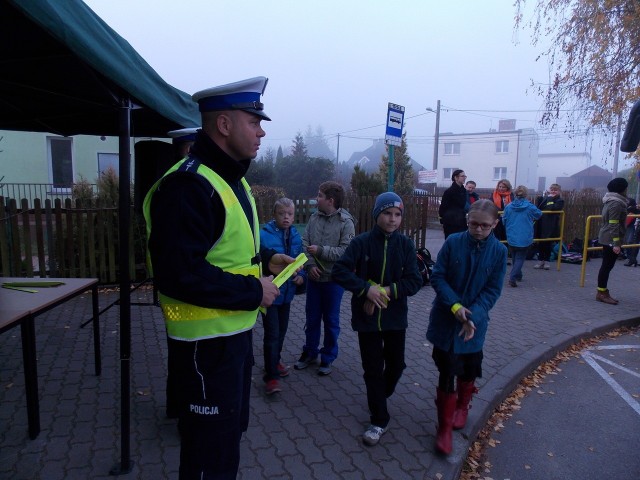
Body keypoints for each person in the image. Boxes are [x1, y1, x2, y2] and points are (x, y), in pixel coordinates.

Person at [143, 76, 296, 480]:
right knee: (208, 457)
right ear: (224, 125)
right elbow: (177, 274)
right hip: (203, 349)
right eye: (254, 121)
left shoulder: (231, 178)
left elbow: (226, 249)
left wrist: (267, 260)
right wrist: (253, 290)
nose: (262, 131)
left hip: (232, 339)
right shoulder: (187, 185)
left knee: (226, 440)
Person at [332, 192, 423, 447]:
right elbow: (339, 270)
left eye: (397, 215)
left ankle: (380, 396)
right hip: (367, 319)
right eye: (386, 213)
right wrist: (366, 289)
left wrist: (387, 291)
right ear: (376, 215)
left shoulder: (406, 245)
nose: (392, 219)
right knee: (372, 369)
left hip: (395, 318)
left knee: (396, 365)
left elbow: (414, 281)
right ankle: (379, 419)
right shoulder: (361, 243)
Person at [426, 199, 507, 455]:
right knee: (446, 369)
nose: (479, 230)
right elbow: (437, 276)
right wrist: (455, 307)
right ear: (467, 221)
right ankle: (444, 428)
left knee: (469, 367)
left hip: (474, 324)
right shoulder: (453, 242)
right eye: (474, 224)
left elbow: (493, 289)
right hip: (447, 320)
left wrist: (474, 315)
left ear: (494, 224)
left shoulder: (499, 252)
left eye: (485, 225)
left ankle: (464, 404)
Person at [294, 181, 355, 376]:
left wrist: (321, 251)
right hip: (314, 280)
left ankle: (327, 357)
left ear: (330, 200)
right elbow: (305, 243)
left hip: (333, 281)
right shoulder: (314, 218)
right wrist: (310, 265)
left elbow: (346, 251)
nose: (316, 198)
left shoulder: (346, 222)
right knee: (312, 319)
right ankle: (310, 352)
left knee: (331, 320)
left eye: (319, 195)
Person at [163, 127, 199, 419]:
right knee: (185, 355)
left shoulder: (173, 175)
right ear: (188, 149)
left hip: (172, 295)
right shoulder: (185, 181)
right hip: (184, 298)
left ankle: (175, 407)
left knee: (178, 352)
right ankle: (181, 409)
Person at [259, 198, 306, 395]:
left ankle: (275, 361)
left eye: (290, 214)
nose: (286, 217)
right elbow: (258, 261)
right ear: (274, 214)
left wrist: (301, 277)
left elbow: (300, 260)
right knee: (272, 334)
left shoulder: (295, 235)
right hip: (270, 295)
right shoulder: (263, 235)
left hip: (287, 295)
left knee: (283, 331)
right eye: (281, 213)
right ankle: (271, 378)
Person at [596, 178, 629, 304]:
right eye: (626, 187)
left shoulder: (611, 200)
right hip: (611, 238)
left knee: (607, 265)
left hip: (608, 237)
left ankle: (602, 291)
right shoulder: (616, 203)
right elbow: (613, 224)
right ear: (622, 189)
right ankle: (601, 293)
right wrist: (616, 243)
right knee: (607, 266)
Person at [502, 186, 542, 287]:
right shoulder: (529, 206)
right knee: (520, 258)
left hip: (511, 235)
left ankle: (518, 275)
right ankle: (513, 277)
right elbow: (539, 214)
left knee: (515, 256)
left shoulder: (509, 206)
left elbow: (504, 220)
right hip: (525, 236)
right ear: (526, 194)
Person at [534, 184, 565, 270]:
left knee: (548, 243)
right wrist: (540, 199)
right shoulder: (545, 198)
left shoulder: (560, 200)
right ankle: (540, 261)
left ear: (559, 191)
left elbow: (551, 208)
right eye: (552, 189)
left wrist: (550, 199)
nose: (553, 191)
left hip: (551, 225)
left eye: (555, 190)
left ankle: (547, 261)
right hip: (541, 223)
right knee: (540, 243)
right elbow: (540, 208)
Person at [439, 169, 469, 239]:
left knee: (461, 241)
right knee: (451, 241)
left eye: (465, 176)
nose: (464, 178)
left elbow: (463, 204)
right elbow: (443, 206)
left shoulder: (463, 190)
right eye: (462, 176)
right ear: (456, 178)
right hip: (451, 221)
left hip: (461, 220)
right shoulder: (449, 191)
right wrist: (442, 220)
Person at [623, 198, 639, 267]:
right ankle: (632, 260)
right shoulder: (634, 208)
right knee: (634, 243)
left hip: (634, 227)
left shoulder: (633, 208)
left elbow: (631, 209)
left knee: (631, 243)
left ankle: (632, 260)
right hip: (636, 227)